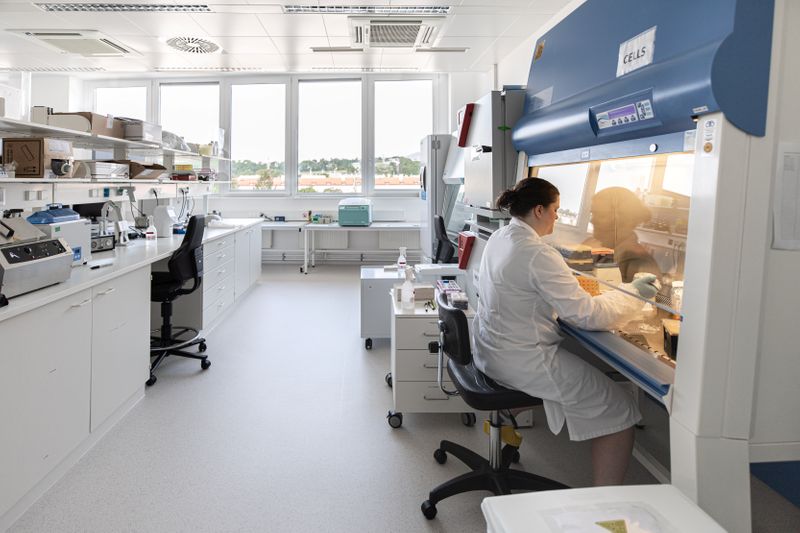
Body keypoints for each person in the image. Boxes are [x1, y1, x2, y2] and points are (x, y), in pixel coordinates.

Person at [471, 177, 658, 486]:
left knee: (583, 373)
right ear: (540, 210)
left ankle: (506, 416)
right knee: (621, 410)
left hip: (492, 352)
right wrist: (633, 293)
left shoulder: (501, 236)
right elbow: (586, 314)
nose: (558, 217)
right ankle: (603, 506)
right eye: (556, 210)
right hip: (524, 361)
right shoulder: (537, 253)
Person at [586, 187, 660, 283]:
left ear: (622, 220)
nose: (592, 220)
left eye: (600, 215)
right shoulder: (602, 253)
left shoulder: (638, 262)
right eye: (593, 213)